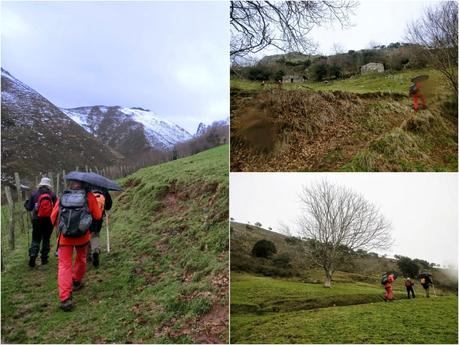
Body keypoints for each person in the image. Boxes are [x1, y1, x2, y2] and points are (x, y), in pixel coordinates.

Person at [51, 180, 102, 311]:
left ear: (71, 183)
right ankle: (77, 281)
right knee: (81, 259)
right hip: (82, 236)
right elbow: (97, 215)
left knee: (64, 266)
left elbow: (53, 217)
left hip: (64, 238)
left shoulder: (63, 195)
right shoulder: (88, 195)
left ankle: (65, 298)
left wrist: (63, 228)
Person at [24, 177, 57, 267]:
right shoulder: (52, 194)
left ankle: (33, 255)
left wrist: (26, 203)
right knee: (46, 238)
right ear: (48, 185)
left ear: (40, 184)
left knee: (36, 238)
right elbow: (56, 208)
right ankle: (44, 259)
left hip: (36, 219)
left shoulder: (34, 193)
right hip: (49, 220)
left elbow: (29, 208)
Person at [88, 188, 112, 268]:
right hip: (99, 216)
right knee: (95, 234)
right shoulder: (104, 189)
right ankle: (95, 250)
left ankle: (89, 255)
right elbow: (109, 206)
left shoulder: (88, 189)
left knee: (88, 234)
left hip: (88, 215)